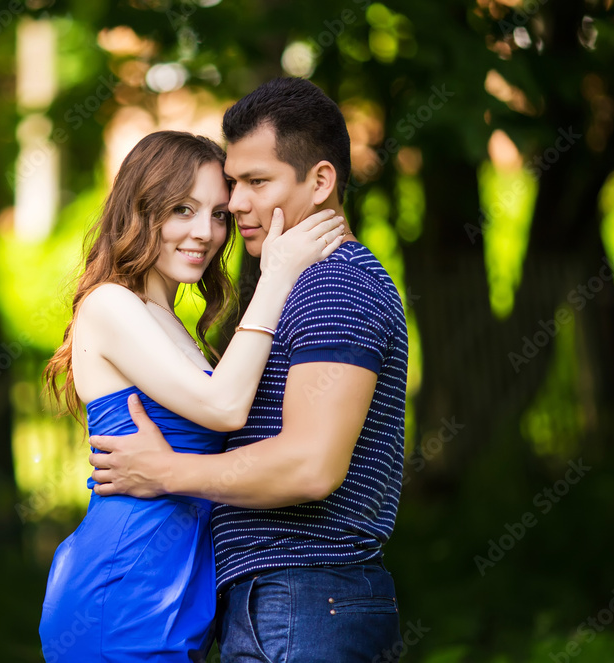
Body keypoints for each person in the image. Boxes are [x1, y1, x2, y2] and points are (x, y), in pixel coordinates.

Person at [89, 77, 410, 662]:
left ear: (320, 181)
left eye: (255, 183)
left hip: (308, 596)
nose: (234, 207)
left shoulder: (334, 286)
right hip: (287, 600)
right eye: (233, 184)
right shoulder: (295, 285)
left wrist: (166, 472)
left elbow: (310, 466)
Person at [38, 129, 347, 662]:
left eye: (219, 214)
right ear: (139, 211)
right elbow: (226, 408)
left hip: (178, 594)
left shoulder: (170, 324)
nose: (204, 232)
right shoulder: (109, 305)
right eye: (182, 209)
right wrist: (276, 275)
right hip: (123, 586)